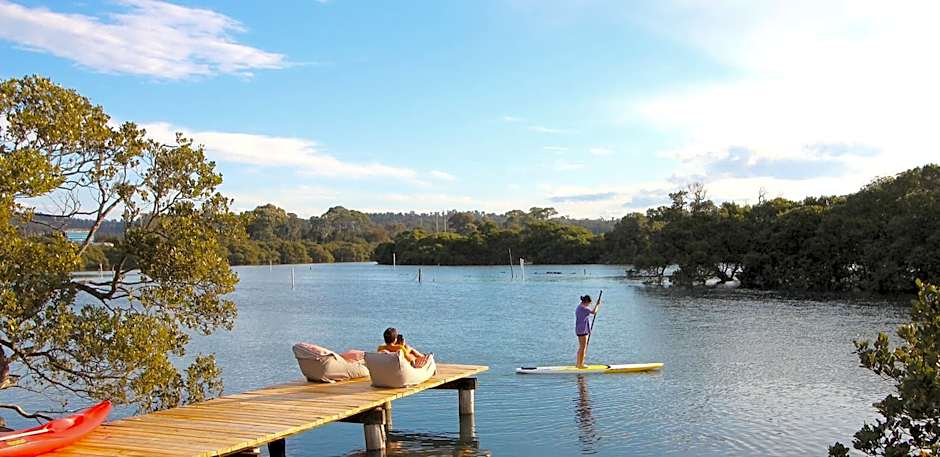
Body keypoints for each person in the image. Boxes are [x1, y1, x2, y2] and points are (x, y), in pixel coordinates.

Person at [575, 294, 599, 369]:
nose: (589, 305)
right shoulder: (584, 309)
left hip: (579, 329)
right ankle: (581, 365)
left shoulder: (579, 307)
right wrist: (597, 305)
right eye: (589, 303)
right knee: (583, 348)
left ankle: (578, 363)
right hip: (583, 330)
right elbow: (594, 312)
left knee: (581, 347)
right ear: (586, 301)